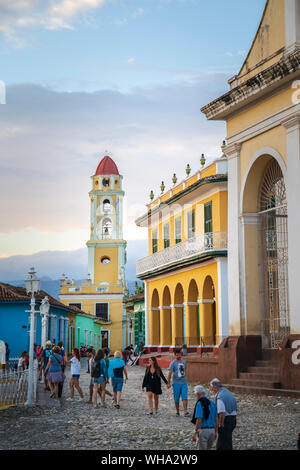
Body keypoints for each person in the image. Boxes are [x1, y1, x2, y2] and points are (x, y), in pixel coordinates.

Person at [210, 378, 237, 450]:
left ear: (215, 387)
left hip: (226, 420)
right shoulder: (227, 392)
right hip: (233, 419)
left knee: (226, 443)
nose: (212, 390)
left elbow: (222, 413)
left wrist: (220, 424)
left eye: (212, 388)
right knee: (222, 441)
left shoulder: (220, 396)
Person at [191, 385, 218, 450]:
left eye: (195, 394)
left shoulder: (199, 403)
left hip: (203, 431)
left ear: (197, 394)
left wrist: (195, 431)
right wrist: (215, 432)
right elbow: (216, 419)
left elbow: (199, 419)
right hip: (212, 431)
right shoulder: (211, 403)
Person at [167, 348, 189, 417]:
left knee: (184, 397)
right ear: (175, 355)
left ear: (181, 354)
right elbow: (170, 373)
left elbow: (185, 370)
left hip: (184, 383)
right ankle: (177, 411)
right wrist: (168, 382)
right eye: (176, 355)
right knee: (176, 398)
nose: (178, 356)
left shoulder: (184, 362)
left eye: (179, 355)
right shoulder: (173, 363)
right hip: (176, 383)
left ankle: (185, 411)